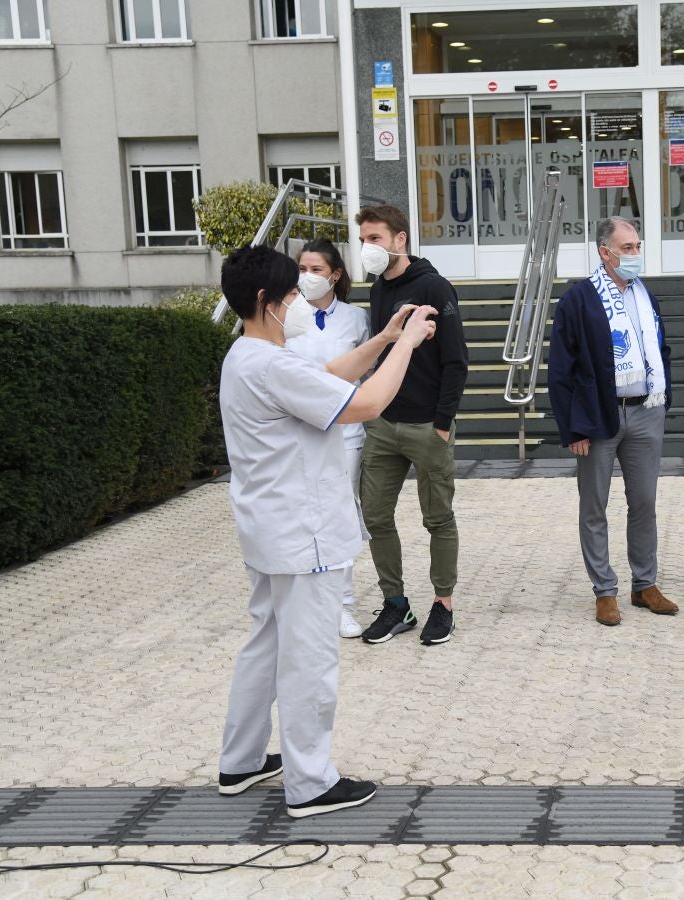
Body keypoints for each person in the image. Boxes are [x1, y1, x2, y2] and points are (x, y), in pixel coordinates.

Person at [215, 244, 436, 817]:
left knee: (263, 644)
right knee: (308, 659)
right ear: (266, 301)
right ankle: (310, 783)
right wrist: (409, 346)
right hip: (303, 533)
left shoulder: (245, 355)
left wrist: (384, 338)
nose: (299, 299)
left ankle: (239, 762)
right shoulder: (272, 363)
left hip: (269, 529)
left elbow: (328, 376)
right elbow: (366, 403)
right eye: (291, 293)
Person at [548, 216, 677, 626]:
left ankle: (645, 584)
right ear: (605, 252)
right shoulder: (578, 300)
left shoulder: (645, 295)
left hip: (645, 411)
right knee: (595, 507)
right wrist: (573, 428)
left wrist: (661, 398)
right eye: (628, 248)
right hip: (599, 418)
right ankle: (604, 591)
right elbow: (561, 371)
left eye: (638, 246)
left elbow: (660, 347)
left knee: (644, 504)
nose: (635, 255)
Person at [355, 205, 469, 647]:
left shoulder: (433, 285)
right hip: (383, 426)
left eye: (376, 238)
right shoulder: (377, 288)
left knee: (437, 518)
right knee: (376, 516)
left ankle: (443, 604)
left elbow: (457, 360)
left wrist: (442, 423)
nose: (368, 248)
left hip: (427, 428)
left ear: (400, 239)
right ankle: (396, 604)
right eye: (364, 239)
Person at [286, 238, 372, 638]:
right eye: (302, 269)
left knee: (340, 515)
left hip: (345, 433)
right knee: (301, 515)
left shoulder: (356, 319)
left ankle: (342, 605)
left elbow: (368, 376)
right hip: (298, 433)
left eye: (316, 270)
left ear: (335, 275)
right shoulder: (287, 318)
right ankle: (306, 604)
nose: (308, 277)